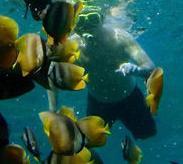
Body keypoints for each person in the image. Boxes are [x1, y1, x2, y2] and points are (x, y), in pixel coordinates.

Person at [63, 11, 157, 140]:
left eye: (93, 18)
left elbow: (150, 68)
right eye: (80, 20)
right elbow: (52, 74)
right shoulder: (71, 46)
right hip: (98, 103)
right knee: (91, 141)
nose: (87, 26)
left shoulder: (120, 37)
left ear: (102, 18)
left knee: (147, 134)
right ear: (73, 25)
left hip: (130, 98)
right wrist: (52, 107)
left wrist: (136, 70)